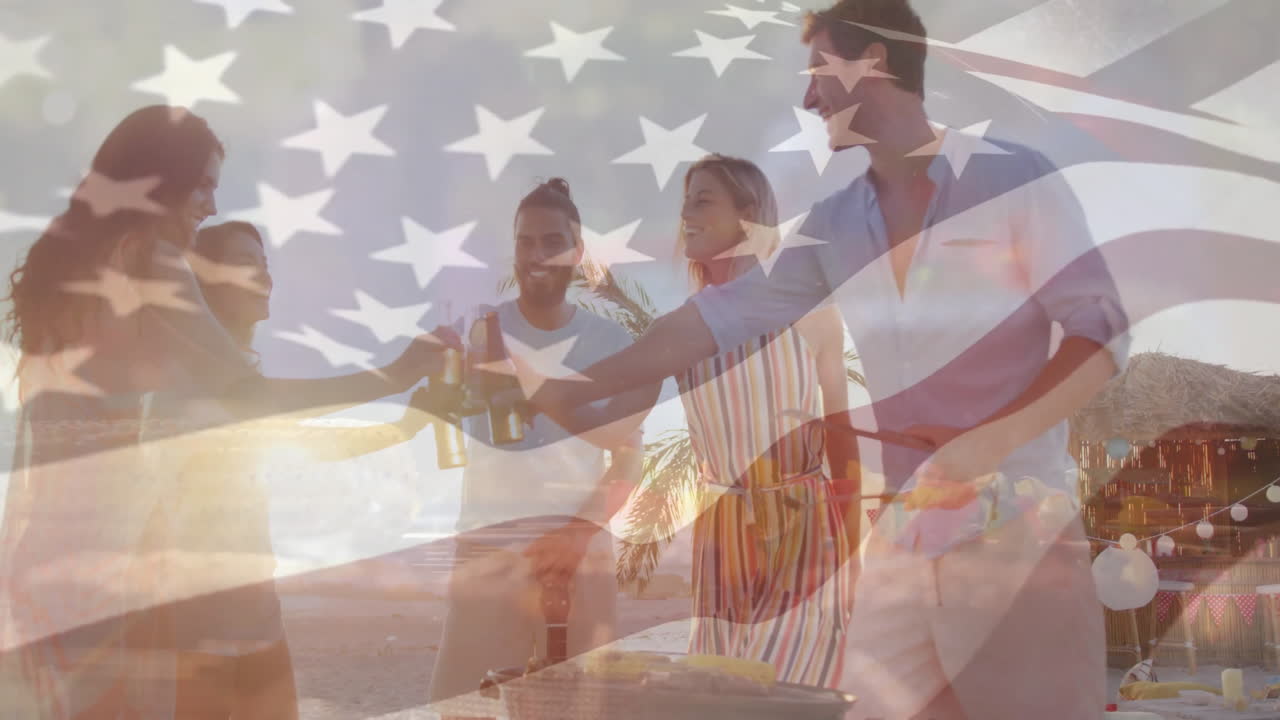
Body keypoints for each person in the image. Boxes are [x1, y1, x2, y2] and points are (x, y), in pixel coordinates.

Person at [523, 1, 1130, 717]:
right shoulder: (839, 221)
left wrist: (982, 444)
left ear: (871, 64)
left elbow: (1103, 335)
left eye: (818, 73)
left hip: (1021, 529)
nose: (808, 97)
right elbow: (714, 320)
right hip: (908, 532)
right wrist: (575, 385)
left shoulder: (1012, 178)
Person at [0, 105, 440, 719]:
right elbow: (247, 396)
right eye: (203, 184)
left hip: (43, 555)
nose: (209, 204)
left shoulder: (64, 262)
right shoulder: (150, 259)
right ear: (162, 180)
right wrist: (392, 375)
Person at [153, 220, 440, 720]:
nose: (265, 277)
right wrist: (394, 375)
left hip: (254, 600)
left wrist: (405, 427)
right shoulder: (190, 372)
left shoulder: (238, 372)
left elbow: (299, 444)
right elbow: (265, 408)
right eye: (246, 264)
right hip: (197, 609)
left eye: (266, 265)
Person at [425, 178, 649, 719]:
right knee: (464, 708)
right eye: (526, 242)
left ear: (576, 254)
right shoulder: (480, 332)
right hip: (489, 547)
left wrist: (577, 535)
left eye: (552, 242)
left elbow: (629, 458)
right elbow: (446, 427)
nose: (536, 255)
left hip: (580, 550)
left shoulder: (612, 345)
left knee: (585, 709)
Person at [674, 154, 857, 687]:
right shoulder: (688, 324)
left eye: (702, 199)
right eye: (685, 200)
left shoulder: (810, 310)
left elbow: (840, 435)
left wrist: (852, 549)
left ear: (747, 213)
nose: (685, 212)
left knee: (790, 683)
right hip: (720, 533)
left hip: (801, 525)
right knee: (716, 685)